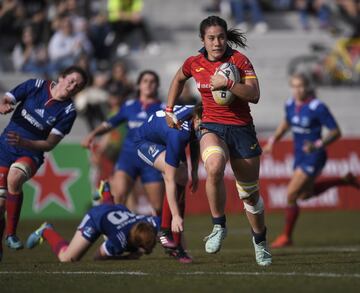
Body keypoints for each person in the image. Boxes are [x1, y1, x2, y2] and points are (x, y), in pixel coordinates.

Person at [164, 15, 272, 266]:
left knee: (250, 195)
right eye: (211, 38)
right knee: (213, 167)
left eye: (221, 37)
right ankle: (218, 225)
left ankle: (260, 240)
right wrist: (169, 109)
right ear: (202, 39)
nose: (217, 42)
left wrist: (229, 83)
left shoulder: (240, 60)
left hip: (242, 130)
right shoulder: (194, 62)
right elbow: (179, 79)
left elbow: (254, 95)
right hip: (212, 126)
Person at [263, 73, 360, 248]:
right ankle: (344, 180)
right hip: (300, 155)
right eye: (294, 86)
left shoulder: (318, 107)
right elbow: (286, 122)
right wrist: (273, 141)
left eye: (301, 86)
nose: (298, 89)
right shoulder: (290, 104)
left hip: (315, 156)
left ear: (308, 87)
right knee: (305, 195)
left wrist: (317, 145)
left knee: (291, 194)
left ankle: (286, 237)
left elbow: (335, 132)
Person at [0, 66, 88, 258]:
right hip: (5, 146)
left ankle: (11, 234)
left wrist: (24, 142)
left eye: (78, 86)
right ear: (62, 76)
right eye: (71, 80)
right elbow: (7, 99)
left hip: (31, 152)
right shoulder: (36, 85)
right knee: (0, 202)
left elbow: (49, 144)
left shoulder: (68, 111)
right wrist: (4, 105)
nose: (73, 86)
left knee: (14, 179)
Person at [82, 70, 164, 215]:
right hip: (128, 158)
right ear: (139, 85)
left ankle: (164, 236)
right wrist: (93, 134)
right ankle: (120, 235)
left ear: (157, 86)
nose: (149, 85)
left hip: (151, 160)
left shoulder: (164, 108)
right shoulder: (129, 106)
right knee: (118, 198)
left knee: (158, 208)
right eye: (145, 81)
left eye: (153, 82)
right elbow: (109, 124)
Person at [134, 104, 202, 263]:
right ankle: (166, 231)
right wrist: (176, 216)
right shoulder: (178, 135)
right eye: (204, 125)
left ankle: (174, 242)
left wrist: (194, 171)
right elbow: (170, 180)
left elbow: (194, 142)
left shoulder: (196, 113)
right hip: (144, 141)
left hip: (164, 137)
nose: (206, 130)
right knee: (173, 175)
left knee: (183, 176)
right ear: (196, 119)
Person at [25, 201, 159, 262]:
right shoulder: (119, 242)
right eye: (150, 246)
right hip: (95, 218)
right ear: (138, 244)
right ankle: (46, 231)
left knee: (111, 226)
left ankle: (105, 192)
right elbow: (98, 257)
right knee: (67, 258)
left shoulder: (152, 223)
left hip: (116, 210)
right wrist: (125, 258)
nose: (152, 249)